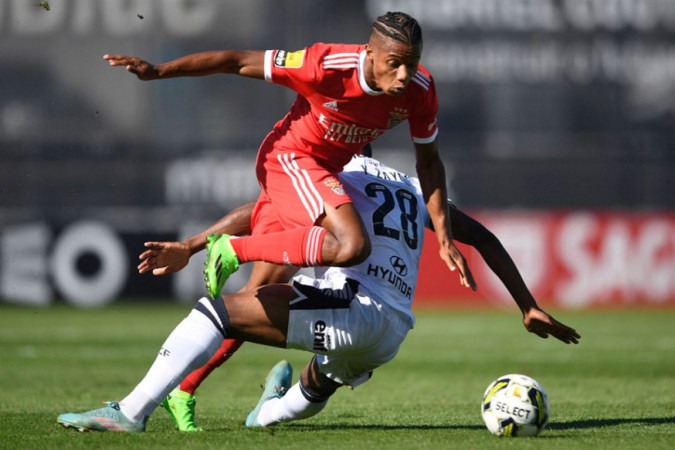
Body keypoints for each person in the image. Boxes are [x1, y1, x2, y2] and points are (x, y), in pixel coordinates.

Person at [56, 154, 581, 432]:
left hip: (354, 306)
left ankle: (132, 410)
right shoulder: (409, 186)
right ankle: (266, 411)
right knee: (312, 386)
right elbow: (483, 237)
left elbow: (256, 210)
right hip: (392, 332)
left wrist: (196, 245)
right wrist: (527, 305)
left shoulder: (334, 176)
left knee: (216, 311)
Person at [103, 11, 476, 303]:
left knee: (260, 291)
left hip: (326, 171)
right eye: (394, 63)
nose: (404, 74)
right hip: (289, 158)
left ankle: (184, 386)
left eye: (412, 63)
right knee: (351, 246)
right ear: (370, 52)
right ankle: (232, 250)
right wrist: (158, 71)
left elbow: (428, 162)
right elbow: (235, 61)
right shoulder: (322, 65)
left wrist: (444, 236)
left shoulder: (420, 90)